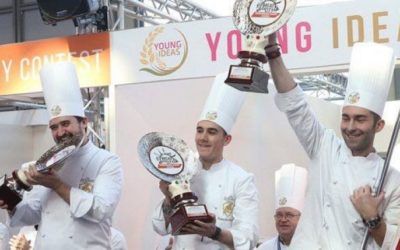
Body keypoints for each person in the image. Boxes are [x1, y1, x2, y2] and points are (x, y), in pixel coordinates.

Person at [266, 33, 400, 249]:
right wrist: (272, 51)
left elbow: (395, 244)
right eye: (346, 117)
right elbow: (295, 104)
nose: (350, 127)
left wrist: (373, 218)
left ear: (379, 125)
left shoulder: (392, 180)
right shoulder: (324, 146)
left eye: (360, 119)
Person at [0, 62, 124, 249]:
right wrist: (10, 203)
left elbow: (101, 209)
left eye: (65, 124)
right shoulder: (44, 164)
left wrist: (57, 184)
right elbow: (31, 214)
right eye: (54, 127)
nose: (60, 132)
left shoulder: (106, 162)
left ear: (84, 123)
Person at [152, 72, 259, 249]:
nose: (203, 138)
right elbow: (159, 228)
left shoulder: (241, 179)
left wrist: (214, 232)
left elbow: (249, 239)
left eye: (212, 132)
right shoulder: (182, 171)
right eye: (199, 130)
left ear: (227, 139)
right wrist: (168, 198)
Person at [257, 164, 307, 250]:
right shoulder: (264, 248)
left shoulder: (315, 246)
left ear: (301, 218)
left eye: (289, 215)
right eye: (279, 215)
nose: (283, 219)